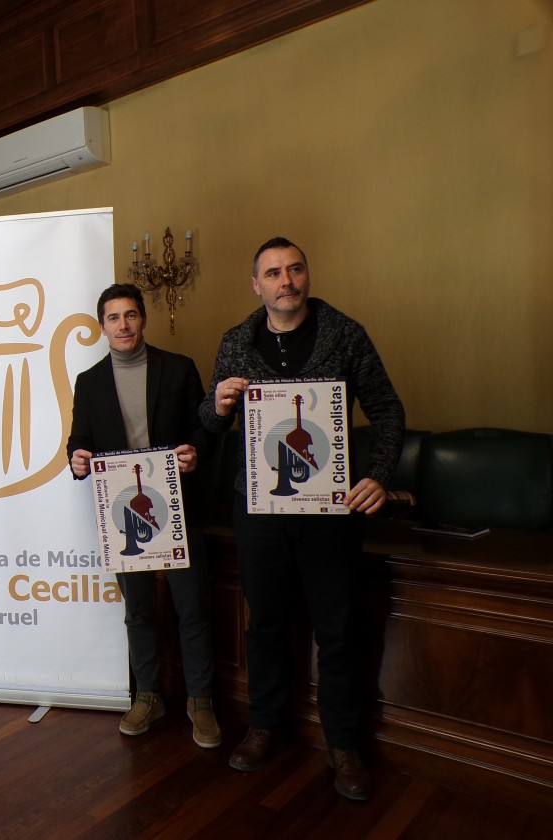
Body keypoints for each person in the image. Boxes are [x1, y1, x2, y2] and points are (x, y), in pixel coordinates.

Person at [199, 236, 404, 801]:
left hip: (330, 513)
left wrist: (379, 475)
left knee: (337, 629)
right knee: (264, 622)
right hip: (259, 512)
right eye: (272, 273)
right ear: (256, 284)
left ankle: (343, 744)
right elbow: (209, 424)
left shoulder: (345, 334)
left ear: (306, 275)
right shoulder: (235, 343)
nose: (284, 281)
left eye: (294, 270)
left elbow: (386, 407)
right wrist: (216, 405)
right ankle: (264, 726)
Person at [66, 283, 221, 747]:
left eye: (130, 315)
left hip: (176, 505)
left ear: (143, 320)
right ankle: (148, 695)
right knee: (138, 611)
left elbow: (202, 427)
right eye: (113, 318)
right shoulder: (89, 382)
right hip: (122, 514)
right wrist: (75, 459)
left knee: (192, 608)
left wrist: (195, 451)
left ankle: (202, 701)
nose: (123, 325)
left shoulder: (178, 368)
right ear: (102, 327)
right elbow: (78, 440)